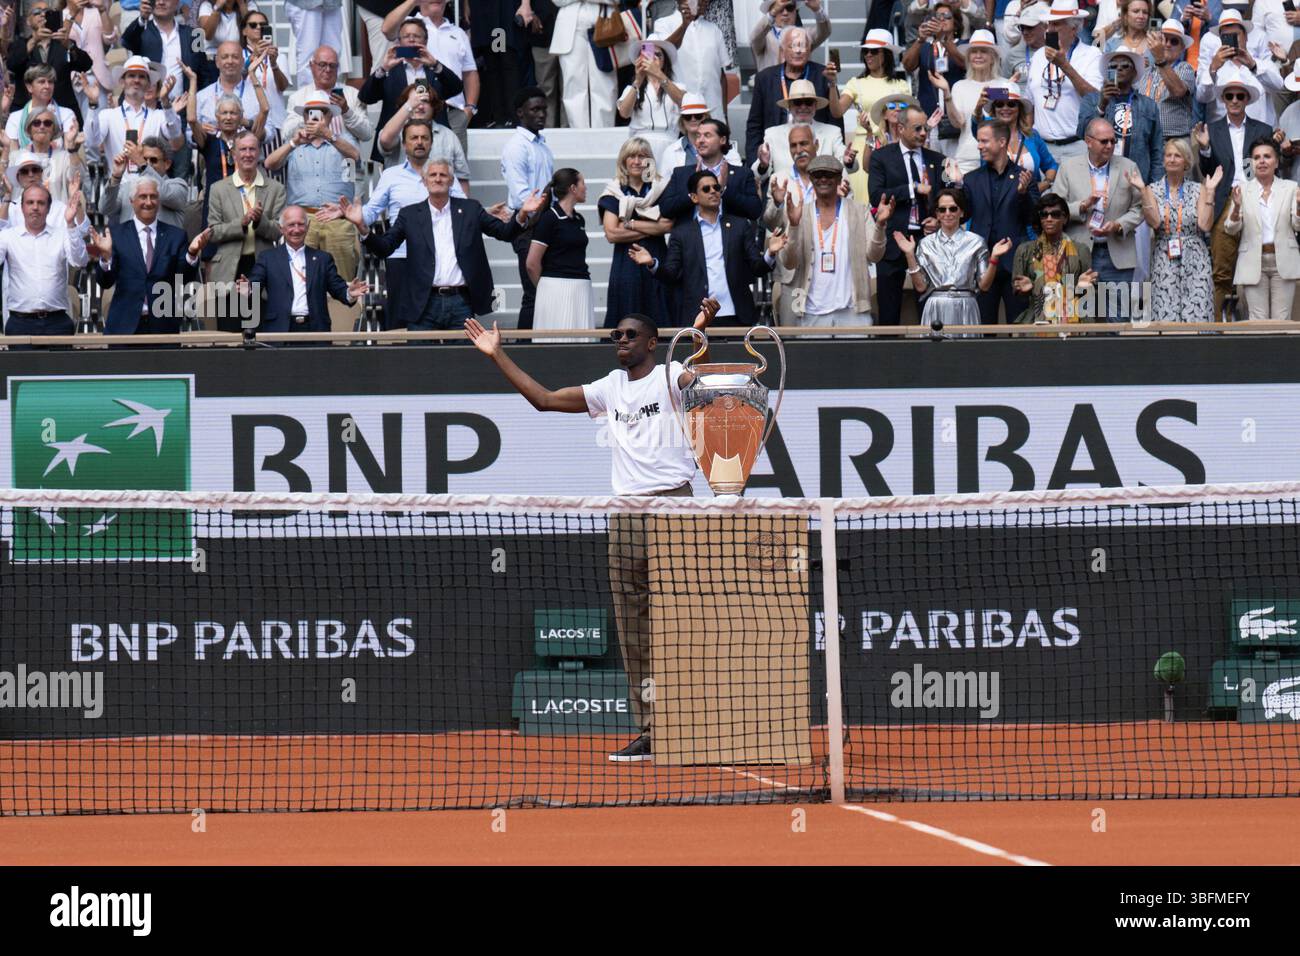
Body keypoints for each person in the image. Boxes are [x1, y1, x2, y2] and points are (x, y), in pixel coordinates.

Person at [462, 299, 722, 763]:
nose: (619, 341)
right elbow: (543, 400)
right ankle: (651, 731)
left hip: (675, 507)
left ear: (651, 342)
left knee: (683, 622)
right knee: (634, 627)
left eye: (628, 335)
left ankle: (698, 722)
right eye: (615, 335)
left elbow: (692, 370)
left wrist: (702, 330)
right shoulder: (609, 388)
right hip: (624, 516)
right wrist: (496, 354)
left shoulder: (670, 376)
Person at [344, 159, 545, 330]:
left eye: (443, 175)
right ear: (424, 181)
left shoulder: (470, 209)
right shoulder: (410, 215)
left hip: (460, 302)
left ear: (451, 181)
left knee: (459, 365)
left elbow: (504, 233)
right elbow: (385, 247)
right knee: (420, 366)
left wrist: (523, 213)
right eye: (432, 175)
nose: (438, 179)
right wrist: (362, 227)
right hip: (422, 302)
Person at [330, 118, 461, 327]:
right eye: (414, 138)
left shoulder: (441, 174)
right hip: (401, 258)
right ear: (404, 144)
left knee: (437, 319)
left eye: (424, 138)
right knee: (402, 323)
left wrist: (486, 213)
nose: (419, 142)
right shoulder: (391, 176)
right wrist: (349, 214)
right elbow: (371, 212)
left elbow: (462, 209)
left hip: (438, 258)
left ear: (431, 143)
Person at [630, 169, 785, 326]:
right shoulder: (682, 232)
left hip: (737, 314)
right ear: (694, 197)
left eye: (716, 188)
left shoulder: (740, 226)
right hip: (698, 316)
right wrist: (652, 263)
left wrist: (770, 253)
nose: (713, 192)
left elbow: (757, 267)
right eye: (706, 189)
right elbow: (671, 273)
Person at [86, 179, 212, 336]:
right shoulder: (116, 235)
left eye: (153, 197)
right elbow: (105, 281)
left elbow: (183, 279)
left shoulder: (175, 236)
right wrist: (105, 258)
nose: (148, 202)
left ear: (159, 201)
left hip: (164, 327)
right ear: (132, 201)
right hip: (124, 327)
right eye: (143, 196)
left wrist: (192, 253)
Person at [775, 155, 888, 326]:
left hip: (853, 311)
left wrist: (880, 225)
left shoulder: (859, 210)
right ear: (811, 178)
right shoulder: (799, 213)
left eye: (829, 175)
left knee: (858, 353)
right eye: (818, 175)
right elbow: (789, 262)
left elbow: (875, 255)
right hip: (810, 312)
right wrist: (794, 226)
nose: (823, 179)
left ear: (839, 178)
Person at [1050, 117, 1145, 319]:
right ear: (1088, 141)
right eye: (1104, 141)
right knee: (1077, 317)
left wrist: (1118, 225)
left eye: (1113, 141)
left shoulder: (1129, 166)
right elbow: (1054, 208)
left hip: (1117, 254)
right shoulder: (1068, 167)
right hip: (1078, 253)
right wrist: (1082, 206)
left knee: (1117, 320)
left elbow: (1140, 207)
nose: (1110, 146)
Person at [1196, 65, 1271, 316]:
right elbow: (1208, 171)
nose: (1235, 100)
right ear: (1223, 99)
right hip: (1224, 199)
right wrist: (1205, 149)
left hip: (1255, 196)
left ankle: (1253, 323)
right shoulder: (1212, 129)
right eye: (1230, 96)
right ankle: (1219, 327)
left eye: (1240, 96)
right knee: (1221, 269)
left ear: (1247, 99)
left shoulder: (1262, 130)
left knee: (1257, 266)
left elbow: (1267, 165)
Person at [265, 91, 362, 281]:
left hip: (337, 218)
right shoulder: (294, 142)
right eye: (310, 112)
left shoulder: (343, 140)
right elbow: (269, 164)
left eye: (321, 112)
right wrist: (293, 143)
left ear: (330, 116)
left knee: (342, 281)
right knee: (301, 282)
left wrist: (330, 136)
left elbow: (355, 158)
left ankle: (342, 311)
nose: (315, 117)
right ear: (304, 117)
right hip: (302, 219)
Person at [895, 186, 1014, 333]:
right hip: (935, 305)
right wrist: (909, 255)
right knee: (935, 355)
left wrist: (994, 258)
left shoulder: (976, 242)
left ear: (961, 212)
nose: (947, 213)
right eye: (942, 209)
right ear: (936, 214)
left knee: (965, 354)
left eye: (953, 209)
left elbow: (984, 286)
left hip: (966, 304)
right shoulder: (925, 244)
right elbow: (921, 287)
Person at [869, 105, 946, 326]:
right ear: (901, 128)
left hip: (927, 241)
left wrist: (938, 219)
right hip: (894, 240)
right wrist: (912, 188)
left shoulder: (937, 158)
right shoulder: (881, 157)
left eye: (926, 129)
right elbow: (876, 195)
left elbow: (944, 198)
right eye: (918, 128)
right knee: (889, 311)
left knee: (930, 310)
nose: (923, 133)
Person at [242, 205, 369, 335]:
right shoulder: (268, 258)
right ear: (282, 229)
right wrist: (249, 289)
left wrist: (349, 293)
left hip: (316, 330)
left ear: (308, 227)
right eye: (291, 225)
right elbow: (255, 284)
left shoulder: (323, 259)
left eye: (301, 224)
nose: (296, 230)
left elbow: (338, 288)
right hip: (279, 329)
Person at [960, 119, 1039, 324]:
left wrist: (1022, 195)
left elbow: (1034, 219)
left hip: (1015, 265)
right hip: (982, 264)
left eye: (984, 141)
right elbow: (963, 215)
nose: (979, 146)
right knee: (984, 330)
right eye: (978, 141)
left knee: (1020, 327)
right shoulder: (971, 179)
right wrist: (955, 185)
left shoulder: (1025, 177)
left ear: (1002, 142)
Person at [206, 130, 287, 327]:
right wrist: (241, 223)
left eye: (252, 149)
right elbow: (213, 231)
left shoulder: (276, 188)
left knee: (262, 331)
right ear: (234, 154)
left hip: (262, 265)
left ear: (259, 153)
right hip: (229, 268)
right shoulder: (218, 188)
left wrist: (260, 222)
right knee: (230, 334)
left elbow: (279, 231)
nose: (248, 154)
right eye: (243, 149)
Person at [1132, 140, 1217, 322]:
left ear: (1186, 161)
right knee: (1165, 313)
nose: (1172, 159)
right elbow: (1155, 222)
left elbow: (1205, 225)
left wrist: (1210, 193)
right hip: (1164, 255)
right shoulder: (1151, 189)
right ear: (1163, 161)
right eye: (1168, 155)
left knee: (1198, 313)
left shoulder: (1198, 189)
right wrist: (1141, 190)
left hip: (1195, 257)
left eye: (1177, 155)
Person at [359, 18, 465, 163]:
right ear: (399, 42)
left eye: (416, 36)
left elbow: (456, 88)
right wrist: (383, 69)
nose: (411, 40)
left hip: (433, 139)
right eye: (406, 36)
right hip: (396, 140)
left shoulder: (435, 69)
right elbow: (366, 97)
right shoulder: (390, 70)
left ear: (425, 41)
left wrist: (435, 65)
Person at [381, 0, 478, 148]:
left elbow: (470, 73)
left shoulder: (458, 33)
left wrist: (469, 109)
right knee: (414, 166)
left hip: (453, 112)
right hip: (415, 110)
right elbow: (387, 29)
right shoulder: (408, 25)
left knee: (453, 169)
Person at [1223, 137, 1300, 321]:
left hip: (1283, 261)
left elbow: (1297, 225)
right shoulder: (1242, 189)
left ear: (1277, 162)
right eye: (1257, 158)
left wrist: (1298, 206)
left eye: (1267, 156)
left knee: (1282, 321)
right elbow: (1230, 228)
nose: (1262, 161)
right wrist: (1236, 208)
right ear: (1251, 163)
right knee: (1258, 320)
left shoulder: (1291, 188)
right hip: (1253, 262)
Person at [600, 138, 674, 329]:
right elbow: (612, 233)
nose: (637, 161)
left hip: (656, 258)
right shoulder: (614, 191)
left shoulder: (660, 188)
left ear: (650, 161)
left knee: (659, 315)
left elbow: (666, 226)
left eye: (642, 156)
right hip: (626, 263)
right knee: (627, 318)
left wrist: (630, 224)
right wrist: (651, 228)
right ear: (623, 160)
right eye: (631, 156)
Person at [0, 183, 89, 339]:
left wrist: (70, 224)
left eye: (41, 203)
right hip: (20, 323)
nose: (35, 207)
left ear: (48, 208)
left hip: (58, 322)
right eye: (30, 202)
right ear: (22, 208)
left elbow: (80, 261)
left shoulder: (62, 234)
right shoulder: (8, 236)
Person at [825, 29, 911, 186]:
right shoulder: (856, 83)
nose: (868, 55)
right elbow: (837, 112)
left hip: (892, 145)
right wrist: (832, 84)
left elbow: (907, 120)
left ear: (886, 54)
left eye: (874, 51)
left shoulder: (901, 85)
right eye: (865, 51)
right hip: (864, 145)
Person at [501, 87, 555, 330]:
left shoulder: (542, 145)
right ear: (520, 113)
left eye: (544, 109)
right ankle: (524, 347)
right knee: (533, 292)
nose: (542, 114)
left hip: (544, 221)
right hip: (526, 225)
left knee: (544, 292)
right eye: (535, 109)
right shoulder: (516, 147)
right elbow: (523, 195)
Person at [1023, 0, 1101, 162]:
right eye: (1048, 24)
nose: (1049, 30)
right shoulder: (1038, 56)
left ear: (1074, 28)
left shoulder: (1091, 55)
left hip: (1077, 146)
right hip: (1042, 147)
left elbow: (1095, 99)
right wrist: (1028, 140)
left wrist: (1065, 65)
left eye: (1056, 24)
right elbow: (1029, 103)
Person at [746, 26, 836, 161]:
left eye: (803, 46)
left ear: (809, 50)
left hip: (817, 154)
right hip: (776, 155)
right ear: (782, 51)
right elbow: (755, 125)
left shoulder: (823, 75)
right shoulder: (765, 78)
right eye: (792, 46)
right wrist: (755, 164)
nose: (798, 51)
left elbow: (835, 118)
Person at [1077, 48, 1164, 183]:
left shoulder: (1149, 105)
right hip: (1100, 176)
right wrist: (1102, 105)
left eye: (1125, 65)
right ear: (1107, 73)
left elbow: (1157, 149)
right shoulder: (1092, 100)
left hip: (1137, 177)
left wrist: (1154, 186)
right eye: (1113, 66)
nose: (1119, 68)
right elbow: (1082, 132)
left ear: (1135, 72)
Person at [1011, 192, 1099, 322]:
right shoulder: (1025, 250)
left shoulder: (1081, 250)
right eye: (1044, 215)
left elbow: (1090, 293)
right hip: (1037, 318)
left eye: (1055, 214)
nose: (1049, 218)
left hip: (1073, 318)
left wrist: (1082, 287)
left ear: (1065, 218)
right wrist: (1027, 290)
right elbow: (1017, 292)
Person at [528, 168, 594, 337]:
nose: (585, 188)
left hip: (581, 288)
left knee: (583, 343)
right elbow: (532, 263)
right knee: (556, 344)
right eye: (583, 184)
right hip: (555, 290)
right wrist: (546, 289)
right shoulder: (549, 218)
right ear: (573, 188)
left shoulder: (579, 219)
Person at [658, 118, 763, 223]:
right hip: (691, 237)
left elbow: (755, 211)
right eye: (698, 136)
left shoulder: (743, 174)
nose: (700, 140)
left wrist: (723, 189)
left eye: (707, 135)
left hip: (729, 237)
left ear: (722, 140)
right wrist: (694, 190)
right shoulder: (681, 173)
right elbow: (665, 209)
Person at [7, 7, 94, 127]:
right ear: (28, 21)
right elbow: (12, 64)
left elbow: (86, 65)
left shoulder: (63, 44)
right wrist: (34, 41)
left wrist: (69, 45)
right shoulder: (20, 44)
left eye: (47, 12)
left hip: (62, 112)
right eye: (37, 12)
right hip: (28, 113)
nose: (42, 15)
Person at [1195, 8, 1283, 124]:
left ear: (1246, 37)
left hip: (1260, 136)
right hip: (1223, 134)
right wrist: (1212, 70)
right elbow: (1203, 97)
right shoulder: (1215, 68)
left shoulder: (1261, 63)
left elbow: (1278, 86)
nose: (1233, 40)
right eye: (1226, 36)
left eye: (1236, 35)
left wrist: (1253, 66)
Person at [752, 78, 846, 186]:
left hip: (823, 197)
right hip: (786, 197)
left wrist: (848, 161)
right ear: (789, 106)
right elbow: (756, 175)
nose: (803, 107)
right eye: (797, 103)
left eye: (808, 102)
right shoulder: (773, 134)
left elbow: (846, 164)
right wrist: (763, 165)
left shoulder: (832, 132)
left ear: (815, 106)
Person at [94, 57, 184, 169]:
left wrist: (166, 102)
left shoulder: (159, 116)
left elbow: (175, 137)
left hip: (151, 183)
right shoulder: (108, 115)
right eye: (131, 75)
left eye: (142, 77)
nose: (136, 80)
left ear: (148, 84)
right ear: (122, 82)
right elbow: (93, 141)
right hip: (119, 184)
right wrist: (92, 105)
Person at [543, 0, 620, 128]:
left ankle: (604, 135)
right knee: (573, 85)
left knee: (605, 85)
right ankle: (578, 135)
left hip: (605, 24)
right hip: (570, 25)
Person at [966, 82, 1058, 188]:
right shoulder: (988, 130)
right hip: (997, 197)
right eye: (1000, 104)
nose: (1005, 108)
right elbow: (977, 123)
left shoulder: (1032, 135)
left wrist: (1045, 183)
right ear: (994, 110)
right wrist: (978, 108)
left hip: (1031, 199)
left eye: (1011, 104)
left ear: (1019, 108)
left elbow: (1051, 165)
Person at [937, 29, 1005, 173]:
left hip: (1000, 158)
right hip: (967, 158)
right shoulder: (959, 86)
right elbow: (958, 123)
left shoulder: (1005, 85)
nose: (978, 56)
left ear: (993, 57)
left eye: (984, 51)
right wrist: (947, 94)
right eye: (974, 52)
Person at [374, 84, 469, 185]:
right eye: (415, 100)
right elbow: (385, 139)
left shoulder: (449, 136)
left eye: (425, 101)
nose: (420, 106)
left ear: (433, 106)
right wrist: (409, 105)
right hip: (402, 197)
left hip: (439, 197)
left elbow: (462, 178)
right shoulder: (396, 131)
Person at [655, 0, 732, 122]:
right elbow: (662, 54)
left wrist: (725, 116)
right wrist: (684, 26)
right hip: (680, 114)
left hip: (713, 114)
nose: (702, 2)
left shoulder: (714, 29)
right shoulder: (663, 24)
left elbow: (721, 77)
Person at [282, 47, 375, 146]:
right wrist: (307, 116)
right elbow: (286, 134)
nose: (327, 69)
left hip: (345, 158)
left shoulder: (352, 94)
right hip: (309, 158)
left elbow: (367, 134)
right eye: (322, 64)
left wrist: (347, 111)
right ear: (311, 66)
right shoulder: (298, 97)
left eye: (332, 65)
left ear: (337, 67)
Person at [901, 0, 968, 136]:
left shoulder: (964, 45)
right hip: (928, 116)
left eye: (947, 16)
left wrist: (944, 40)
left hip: (955, 114)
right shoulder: (925, 46)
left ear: (956, 23)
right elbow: (907, 65)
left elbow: (965, 63)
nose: (942, 19)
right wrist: (920, 39)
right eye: (938, 16)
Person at [616, 38, 685, 162]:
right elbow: (624, 113)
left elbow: (683, 102)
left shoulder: (678, 87)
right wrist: (638, 80)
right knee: (646, 179)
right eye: (647, 54)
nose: (652, 58)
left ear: (665, 61)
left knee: (668, 180)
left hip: (670, 142)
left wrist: (658, 74)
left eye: (657, 55)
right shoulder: (631, 88)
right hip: (640, 145)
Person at [99, 136, 188, 228]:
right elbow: (105, 209)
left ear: (167, 164)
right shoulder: (128, 188)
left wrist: (142, 163)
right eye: (145, 159)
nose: (148, 164)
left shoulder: (178, 186)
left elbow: (165, 194)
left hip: (165, 241)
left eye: (153, 160)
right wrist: (115, 177)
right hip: (131, 241)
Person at [123, 0, 214, 90]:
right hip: (150, 102)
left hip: (186, 101)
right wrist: (142, 18)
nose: (161, 2)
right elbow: (126, 42)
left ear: (177, 2)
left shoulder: (195, 34)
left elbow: (204, 75)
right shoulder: (140, 32)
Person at [659, 92, 743, 172]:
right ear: (682, 121)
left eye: (698, 115)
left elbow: (738, 179)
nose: (693, 119)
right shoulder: (670, 151)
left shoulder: (727, 150)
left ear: (706, 117)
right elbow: (662, 185)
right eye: (687, 116)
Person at [194, 40, 267, 131]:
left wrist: (249, 124)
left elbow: (269, 131)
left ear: (242, 61)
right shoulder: (202, 96)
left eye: (235, 57)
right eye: (225, 57)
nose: (230, 61)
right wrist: (200, 130)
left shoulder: (258, 94)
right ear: (217, 62)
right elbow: (190, 135)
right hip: (212, 144)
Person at [1144, 19, 1197, 143]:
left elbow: (1178, 91)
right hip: (1148, 140)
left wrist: (1160, 58)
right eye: (1163, 39)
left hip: (1175, 141)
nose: (1167, 44)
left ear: (1182, 48)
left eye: (1174, 41)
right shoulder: (1147, 71)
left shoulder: (1185, 68)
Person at [3, 64, 79, 150]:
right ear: (29, 87)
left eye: (50, 82)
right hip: (25, 162)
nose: (47, 86)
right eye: (42, 82)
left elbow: (69, 153)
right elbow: (12, 156)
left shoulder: (66, 114)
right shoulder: (16, 117)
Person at [239, 10, 289, 131]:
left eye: (263, 25)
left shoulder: (279, 55)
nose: (258, 27)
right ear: (244, 31)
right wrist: (253, 57)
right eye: (253, 25)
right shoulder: (238, 55)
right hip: (248, 123)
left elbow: (283, 87)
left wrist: (274, 64)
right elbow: (236, 82)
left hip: (277, 122)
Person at [750, 0, 831, 74]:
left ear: (796, 11)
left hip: (800, 87)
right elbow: (754, 37)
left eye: (789, 8)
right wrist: (773, 12)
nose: (785, 13)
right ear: (771, 11)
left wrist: (818, 10)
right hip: (770, 87)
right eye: (780, 9)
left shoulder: (804, 34)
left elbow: (825, 32)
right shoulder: (765, 37)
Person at [282, 0, 345, 89]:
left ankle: (332, 98)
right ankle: (307, 100)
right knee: (308, 56)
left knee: (333, 54)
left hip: (332, 3)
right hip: (305, 4)